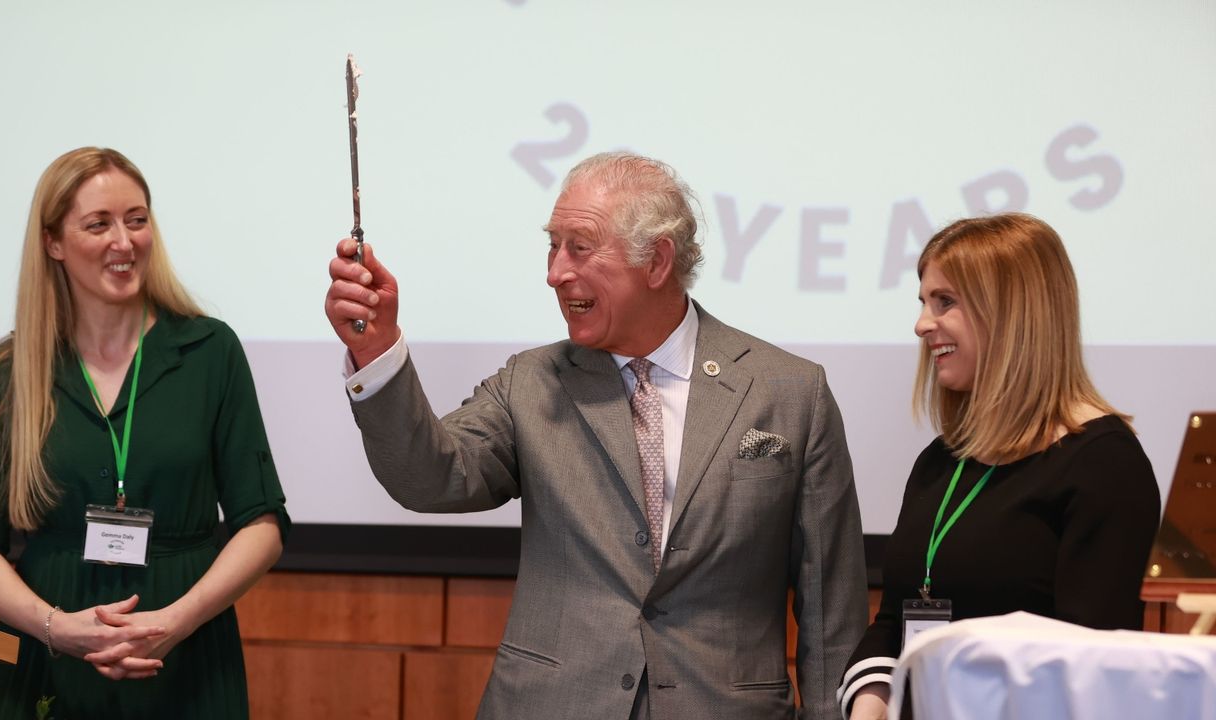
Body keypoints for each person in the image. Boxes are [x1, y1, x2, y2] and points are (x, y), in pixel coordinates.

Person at [324, 152, 868, 720]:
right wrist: (376, 350)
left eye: (579, 247)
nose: (555, 272)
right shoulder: (530, 383)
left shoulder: (789, 393)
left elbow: (832, 614)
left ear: (657, 261)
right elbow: (432, 479)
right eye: (552, 246)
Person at [0, 147, 289, 719]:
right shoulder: (15, 369)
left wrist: (171, 623)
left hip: (185, 655)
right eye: (98, 224)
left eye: (136, 219)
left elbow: (263, 527)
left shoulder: (210, 352)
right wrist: (57, 630)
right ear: (53, 242)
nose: (124, 243)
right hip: (46, 655)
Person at [838, 213, 1161, 720]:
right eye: (923, 302)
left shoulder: (1104, 463)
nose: (922, 323)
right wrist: (867, 709)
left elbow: (1091, 665)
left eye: (945, 301)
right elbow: (896, 620)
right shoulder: (940, 461)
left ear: (1011, 312)